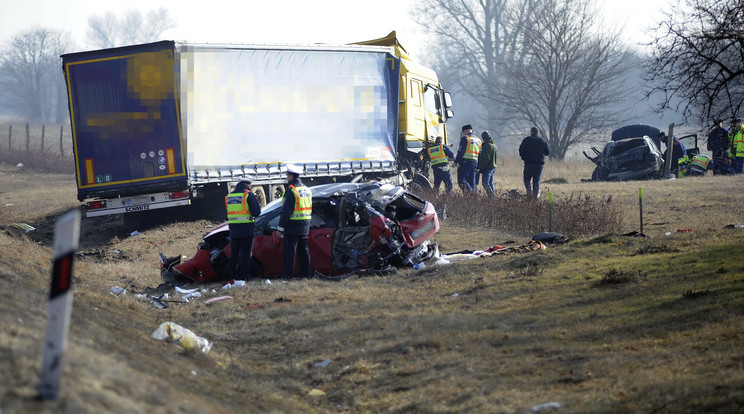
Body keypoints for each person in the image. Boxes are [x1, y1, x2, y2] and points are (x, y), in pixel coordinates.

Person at [277, 164, 312, 281]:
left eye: (287, 175)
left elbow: (286, 212)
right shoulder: (307, 190)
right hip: (305, 226)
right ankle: (306, 276)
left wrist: (280, 228)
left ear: (291, 176)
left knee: (290, 254)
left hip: (292, 227)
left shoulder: (292, 191)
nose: (286, 177)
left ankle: (287, 278)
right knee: (304, 253)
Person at [225, 177, 262, 281]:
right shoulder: (248, 195)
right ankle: (244, 277)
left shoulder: (229, 196)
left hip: (233, 230)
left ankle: (233, 277)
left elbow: (228, 214)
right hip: (246, 230)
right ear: (249, 185)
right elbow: (257, 212)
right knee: (246, 255)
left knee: (234, 255)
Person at [519, 126, 549, 198]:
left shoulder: (526, 140)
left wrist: (524, 158)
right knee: (536, 179)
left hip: (529, 163)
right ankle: (535, 196)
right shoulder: (543, 140)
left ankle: (529, 192)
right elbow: (547, 152)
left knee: (526, 179)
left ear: (531, 132)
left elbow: (521, 150)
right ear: (537, 132)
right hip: (539, 164)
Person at [454, 124, 481, 193]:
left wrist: (456, 161)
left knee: (461, 180)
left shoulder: (465, 138)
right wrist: (479, 166)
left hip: (465, 162)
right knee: (472, 181)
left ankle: (470, 192)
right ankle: (474, 196)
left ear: (465, 131)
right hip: (475, 162)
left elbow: (461, 151)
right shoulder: (478, 140)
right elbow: (480, 154)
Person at [477, 130, 498, 197]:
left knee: (485, 183)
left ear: (483, 138)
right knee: (490, 183)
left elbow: (486, 158)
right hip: (492, 167)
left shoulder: (487, 146)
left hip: (488, 167)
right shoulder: (493, 145)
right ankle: (492, 197)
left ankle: (492, 197)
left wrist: (480, 167)